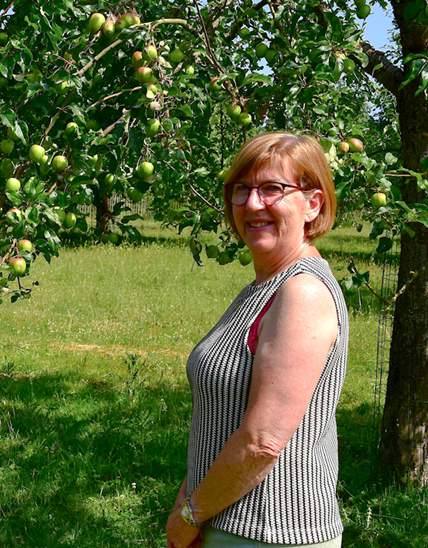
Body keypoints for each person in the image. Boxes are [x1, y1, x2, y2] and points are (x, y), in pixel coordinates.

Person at [166, 132, 348, 548]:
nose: (252, 204)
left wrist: (191, 515)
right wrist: (188, 502)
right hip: (226, 520)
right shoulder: (265, 286)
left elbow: (263, 442)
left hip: (271, 532)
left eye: (272, 189)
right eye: (242, 190)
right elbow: (221, 422)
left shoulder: (302, 293)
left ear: (313, 203)